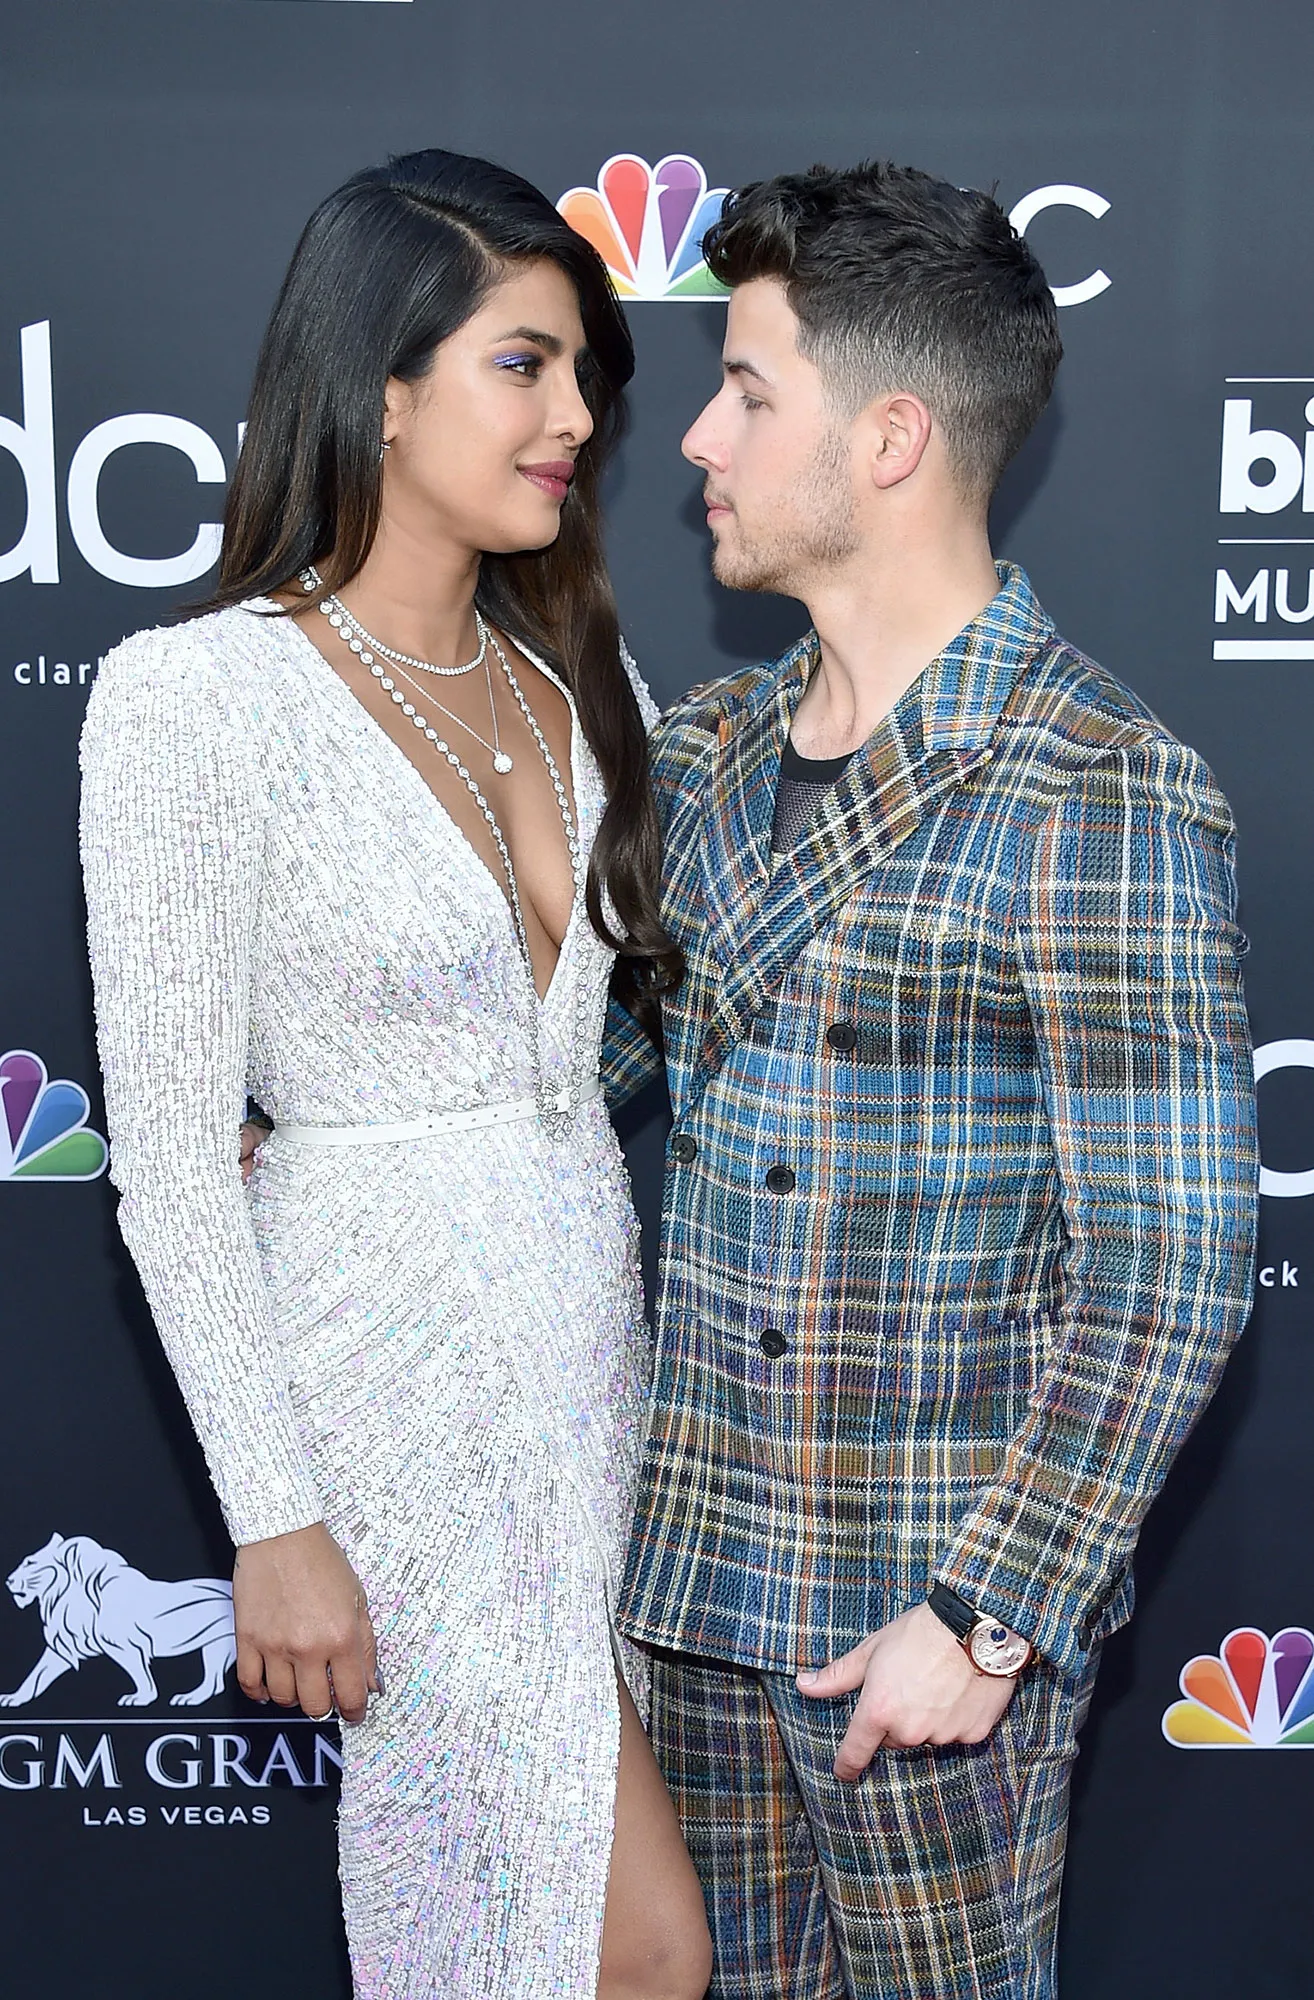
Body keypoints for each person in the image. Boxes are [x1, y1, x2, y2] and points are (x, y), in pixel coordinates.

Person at [603, 162, 1259, 1999]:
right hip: (688, 1593)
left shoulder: (1094, 785)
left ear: (889, 437)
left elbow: (1172, 1263)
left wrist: (987, 1619)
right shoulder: (707, 748)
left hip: (925, 1621)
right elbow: (572, 1078)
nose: (698, 446)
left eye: (746, 392)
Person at [79, 149, 711, 2000]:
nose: (579, 417)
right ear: (379, 383)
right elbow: (180, 1166)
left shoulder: (586, 686)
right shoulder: (197, 701)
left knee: (519, 1939)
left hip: (591, 1369)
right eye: (526, 365)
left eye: (586, 371)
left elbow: (627, 1050)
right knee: (629, 1947)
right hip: (383, 1387)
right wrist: (271, 1523)